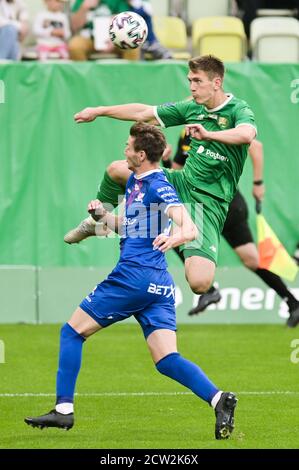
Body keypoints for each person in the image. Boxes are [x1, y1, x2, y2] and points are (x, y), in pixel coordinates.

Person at [25, 123, 237, 440]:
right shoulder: (136, 182)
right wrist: (101, 217)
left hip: (133, 277)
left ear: (140, 154)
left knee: (71, 332)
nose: (123, 150)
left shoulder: (157, 183)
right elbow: (128, 226)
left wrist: (173, 236)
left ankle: (64, 410)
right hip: (157, 285)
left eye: (127, 146)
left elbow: (189, 227)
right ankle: (219, 399)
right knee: (166, 359)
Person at [69, 55, 257, 305]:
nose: (192, 87)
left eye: (198, 81)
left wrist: (210, 135)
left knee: (200, 283)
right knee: (117, 169)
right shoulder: (192, 107)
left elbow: (247, 134)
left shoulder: (238, 110)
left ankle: (165, 230)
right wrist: (99, 111)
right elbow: (143, 112)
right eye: (190, 80)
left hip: (211, 203)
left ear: (217, 82)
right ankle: (96, 222)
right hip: (180, 182)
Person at [162, 131, 299, 328]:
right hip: (206, 206)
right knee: (251, 259)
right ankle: (292, 302)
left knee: (176, 234)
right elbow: (178, 172)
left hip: (226, 204)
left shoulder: (215, 127)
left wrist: (258, 183)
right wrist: (166, 161)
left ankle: (209, 290)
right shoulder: (186, 134)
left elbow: (256, 147)